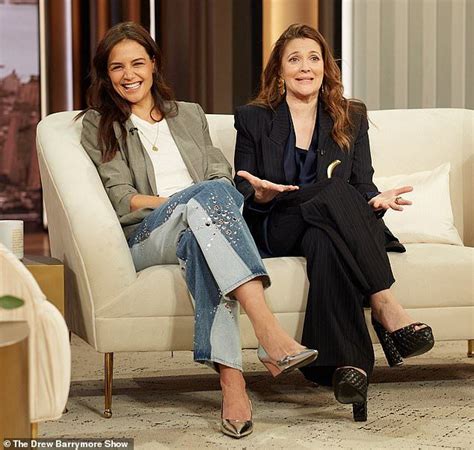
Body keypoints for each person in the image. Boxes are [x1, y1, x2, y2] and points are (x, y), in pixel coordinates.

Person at [78, 22, 317, 439]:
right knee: (203, 201)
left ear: (153, 65)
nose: (128, 74)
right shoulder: (100, 124)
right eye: (117, 67)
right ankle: (268, 332)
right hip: (148, 234)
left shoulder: (188, 114)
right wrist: (185, 201)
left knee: (202, 233)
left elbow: (220, 173)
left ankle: (232, 382)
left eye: (138, 63)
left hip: (198, 226)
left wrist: (198, 202)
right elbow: (123, 199)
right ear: (106, 73)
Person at [234, 23, 434, 422]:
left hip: (324, 226)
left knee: (327, 237)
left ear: (326, 66)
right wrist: (258, 195)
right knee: (331, 190)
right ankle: (384, 303)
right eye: (294, 59)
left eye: (313, 58)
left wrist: (373, 201)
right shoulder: (254, 118)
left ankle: (348, 370)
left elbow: (361, 183)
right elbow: (243, 190)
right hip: (277, 223)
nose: (305, 67)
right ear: (280, 70)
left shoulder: (351, 115)